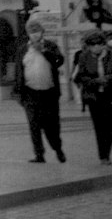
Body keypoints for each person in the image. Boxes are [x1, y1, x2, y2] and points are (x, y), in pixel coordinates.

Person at [13, 18, 66, 164]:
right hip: (30, 93)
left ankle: (58, 149)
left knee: (51, 126)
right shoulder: (23, 50)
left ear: (42, 32)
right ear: (28, 34)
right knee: (34, 125)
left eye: (37, 31)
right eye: (32, 32)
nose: (35, 35)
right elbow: (18, 71)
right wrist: (17, 92)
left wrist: (43, 51)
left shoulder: (51, 46)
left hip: (49, 93)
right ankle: (39, 154)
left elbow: (59, 61)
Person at [73, 30, 111, 165]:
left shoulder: (110, 55)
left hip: (109, 95)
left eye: (99, 44)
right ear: (88, 46)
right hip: (93, 97)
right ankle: (104, 156)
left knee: (109, 126)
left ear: (103, 44)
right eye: (93, 44)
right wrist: (96, 81)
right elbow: (79, 76)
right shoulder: (84, 57)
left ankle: (106, 152)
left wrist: (107, 78)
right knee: (100, 127)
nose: (96, 47)